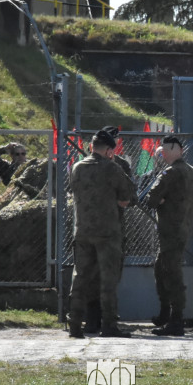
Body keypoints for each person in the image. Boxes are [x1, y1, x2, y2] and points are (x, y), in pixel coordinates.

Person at [66, 130, 135, 338]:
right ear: (108, 151)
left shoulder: (77, 168)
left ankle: (75, 324)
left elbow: (74, 192)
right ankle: (109, 325)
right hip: (107, 232)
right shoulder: (112, 168)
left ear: (90, 147)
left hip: (83, 231)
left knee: (80, 278)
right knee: (108, 280)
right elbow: (126, 198)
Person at [146, 135, 193, 337]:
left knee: (171, 273)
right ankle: (165, 313)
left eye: (166, 150)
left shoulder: (171, 172)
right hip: (182, 229)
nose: (163, 153)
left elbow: (151, 198)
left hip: (169, 230)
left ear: (176, 150)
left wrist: (161, 200)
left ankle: (175, 319)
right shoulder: (191, 171)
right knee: (161, 268)